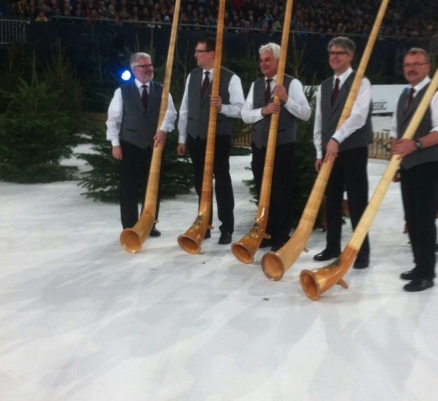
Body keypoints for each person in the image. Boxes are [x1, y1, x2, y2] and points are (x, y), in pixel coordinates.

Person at [390, 47, 438, 292]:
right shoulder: (404, 95)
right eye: (407, 64)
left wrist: (415, 144)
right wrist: (395, 161)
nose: (411, 68)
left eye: (417, 64)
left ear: (428, 67)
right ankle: (419, 265)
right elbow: (396, 131)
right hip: (408, 163)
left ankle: (427, 273)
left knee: (424, 219)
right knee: (412, 218)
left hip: (429, 162)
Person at [241, 42, 312, 250]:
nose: (263, 64)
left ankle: (282, 234)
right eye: (261, 60)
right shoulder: (256, 85)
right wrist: (263, 111)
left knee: (282, 192)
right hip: (260, 146)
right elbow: (245, 115)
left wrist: (286, 99)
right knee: (264, 191)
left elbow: (306, 113)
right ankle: (267, 231)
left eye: (268, 60)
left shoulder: (292, 83)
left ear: (278, 62)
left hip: (283, 146)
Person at [177, 38, 244, 244]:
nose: (196, 55)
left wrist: (223, 106)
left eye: (200, 51)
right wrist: (182, 137)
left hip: (218, 137)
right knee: (200, 182)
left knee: (222, 181)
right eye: (196, 51)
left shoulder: (231, 78)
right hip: (196, 136)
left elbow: (241, 109)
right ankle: (203, 223)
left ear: (212, 54)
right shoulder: (193, 76)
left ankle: (227, 227)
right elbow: (185, 107)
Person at [313, 36, 372, 269]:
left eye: (340, 53)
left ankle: (361, 250)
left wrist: (337, 138)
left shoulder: (361, 83)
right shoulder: (325, 86)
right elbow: (320, 121)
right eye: (331, 53)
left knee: (357, 203)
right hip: (329, 152)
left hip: (353, 149)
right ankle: (332, 246)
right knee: (333, 202)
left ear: (350, 56)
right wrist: (319, 151)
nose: (334, 56)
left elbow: (358, 116)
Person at [106, 52, 177, 235]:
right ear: (134, 69)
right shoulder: (122, 91)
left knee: (152, 187)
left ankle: (149, 224)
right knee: (128, 188)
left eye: (150, 65)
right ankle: (130, 228)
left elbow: (171, 113)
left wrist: (163, 129)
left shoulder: (162, 89)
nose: (148, 69)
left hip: (154, 146)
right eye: (143, 66)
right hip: (129, 145)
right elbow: (113, 120)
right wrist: (115, 144)